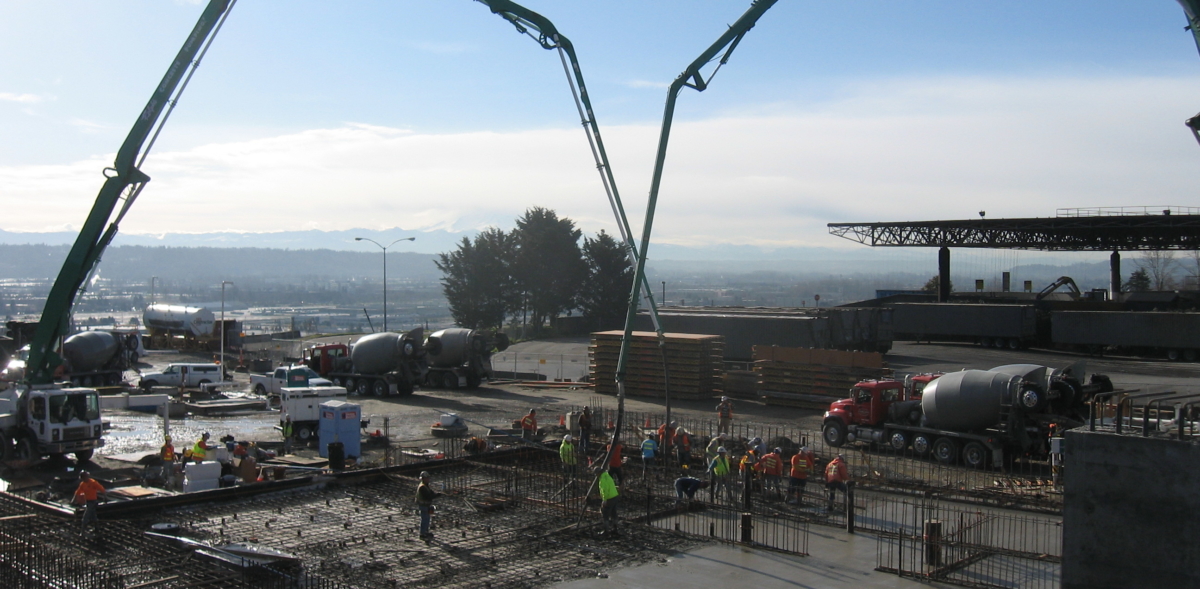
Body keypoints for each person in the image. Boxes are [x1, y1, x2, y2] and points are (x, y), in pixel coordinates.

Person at [73, 471, 107, 537]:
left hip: (93, 502)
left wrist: (105, 497)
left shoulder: (93, 483)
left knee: (85, 517)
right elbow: (77, 492)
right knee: (93, 516)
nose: (83, 479)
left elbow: (101, 489)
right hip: (88, 502)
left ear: (86, 477)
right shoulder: (83, 484)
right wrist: (73, 500)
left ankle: (82, 532)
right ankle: (97, 530)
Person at [415, 471, 440, 541]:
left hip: (426, 505)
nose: (428, 479)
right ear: (424, 478)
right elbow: (428, 496)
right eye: (427, 478)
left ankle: (426, 532)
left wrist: (437, 494)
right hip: (423, 505)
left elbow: (431, 492)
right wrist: (436, 495)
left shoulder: (426, 485)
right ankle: (422, 534)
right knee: (424, 519)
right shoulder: (422, 487)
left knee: (427, 519)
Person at [598, 469, 619, 536]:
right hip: (615, 496)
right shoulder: (608, 476)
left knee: (605, 513)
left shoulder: (602, 479)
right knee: (613, 512)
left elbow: (604, 490)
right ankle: (615, 528)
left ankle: (606, 530)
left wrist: (604, 500)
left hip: (609, 497)